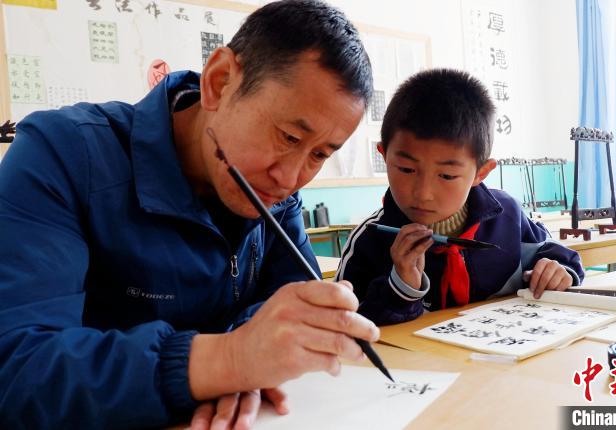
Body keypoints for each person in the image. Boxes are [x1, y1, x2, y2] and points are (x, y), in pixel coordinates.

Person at [0, 1, 380, 428]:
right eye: (289, 137)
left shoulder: (274, 192)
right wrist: (227, 360)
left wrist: (253, 358)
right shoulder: (63, 154)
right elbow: (17, 367)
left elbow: (293, 305)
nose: (290, 178)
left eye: (320, 155)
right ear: (219, 82)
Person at [335, 69, 585, 325]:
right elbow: (344, 323)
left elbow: (559, 258)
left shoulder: (507, 215)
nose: (423, 193)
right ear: (384, 156)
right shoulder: (371, 238)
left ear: (481, 173)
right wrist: (402, 286)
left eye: (447, 176)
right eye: (407, 169)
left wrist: (558, 271)